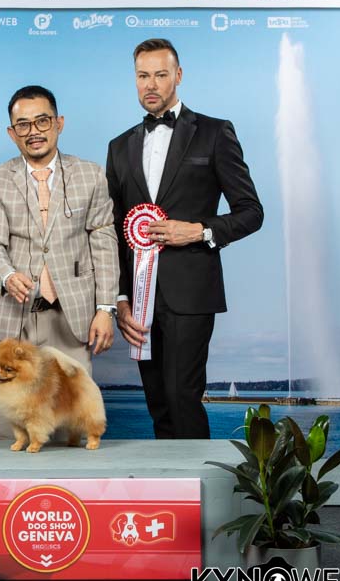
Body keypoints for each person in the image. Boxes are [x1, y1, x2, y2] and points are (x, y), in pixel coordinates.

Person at [106, 39, 263, 439]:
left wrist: (199, 230)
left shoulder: (214, 132)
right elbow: (112, 230)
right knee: (158, 403)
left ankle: (197, 481)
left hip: (191, 292)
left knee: (183, 398)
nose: (151, 84)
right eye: (143, 76)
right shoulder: (119, 146)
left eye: (160, 74)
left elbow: (251, 212)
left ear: (178, 76)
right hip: (138, 299)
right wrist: (119, 299)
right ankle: (169, 481)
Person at [0, 85, 119, 439]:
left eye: (42, 121)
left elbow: (103, 243)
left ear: (59, 123)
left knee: (73, 427)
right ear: (12, 133)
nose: (34, 131)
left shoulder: (91, 174)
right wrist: (7, 275)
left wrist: (105, 308)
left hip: (72, 319)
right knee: (10, 433)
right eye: (23, 125)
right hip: (10, 321)